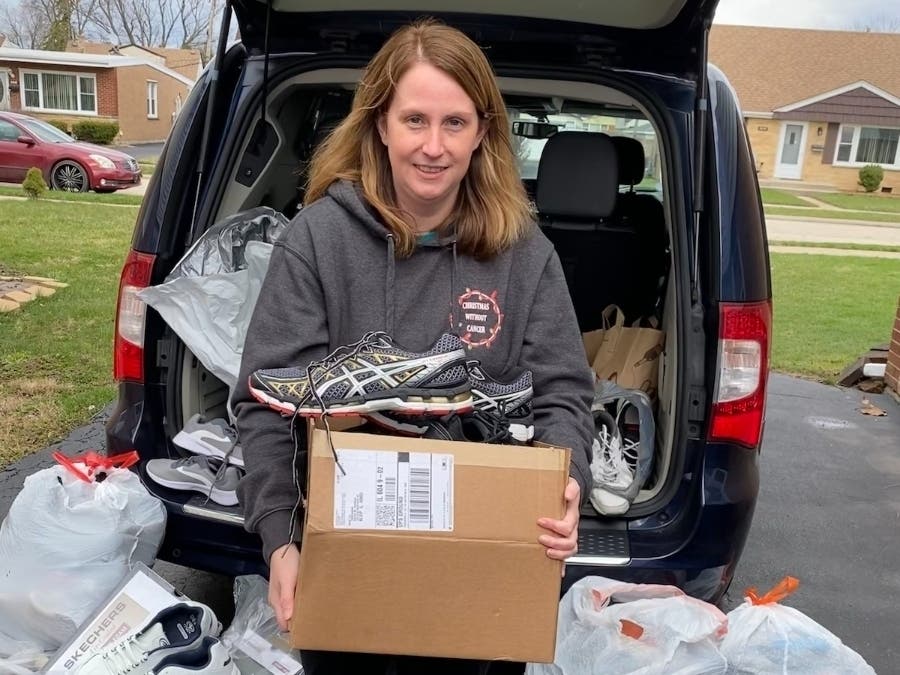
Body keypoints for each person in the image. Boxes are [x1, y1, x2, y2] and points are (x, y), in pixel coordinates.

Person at [232, 18, 595, 675]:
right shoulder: (317, 239)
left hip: (482, 553)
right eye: (414, 120)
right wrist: (281, 538)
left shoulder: (525, 254)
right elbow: (265, 403)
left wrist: (565, 481)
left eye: (455, 123)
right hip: (346, 547)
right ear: (380, 124)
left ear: (482, 132)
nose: (433, 146)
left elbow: (563, 393)